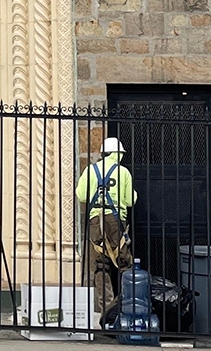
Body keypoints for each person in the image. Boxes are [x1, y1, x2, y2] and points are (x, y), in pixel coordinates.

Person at [76, 136, 138, 319]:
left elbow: (81, 196)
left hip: (96, 219)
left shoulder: (90, 170)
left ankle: (107, 313)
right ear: (117, 154)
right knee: (124, 263)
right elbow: (129, 200)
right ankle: (128, 308)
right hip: (116, 219)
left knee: (100, 266)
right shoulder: (123, 172)